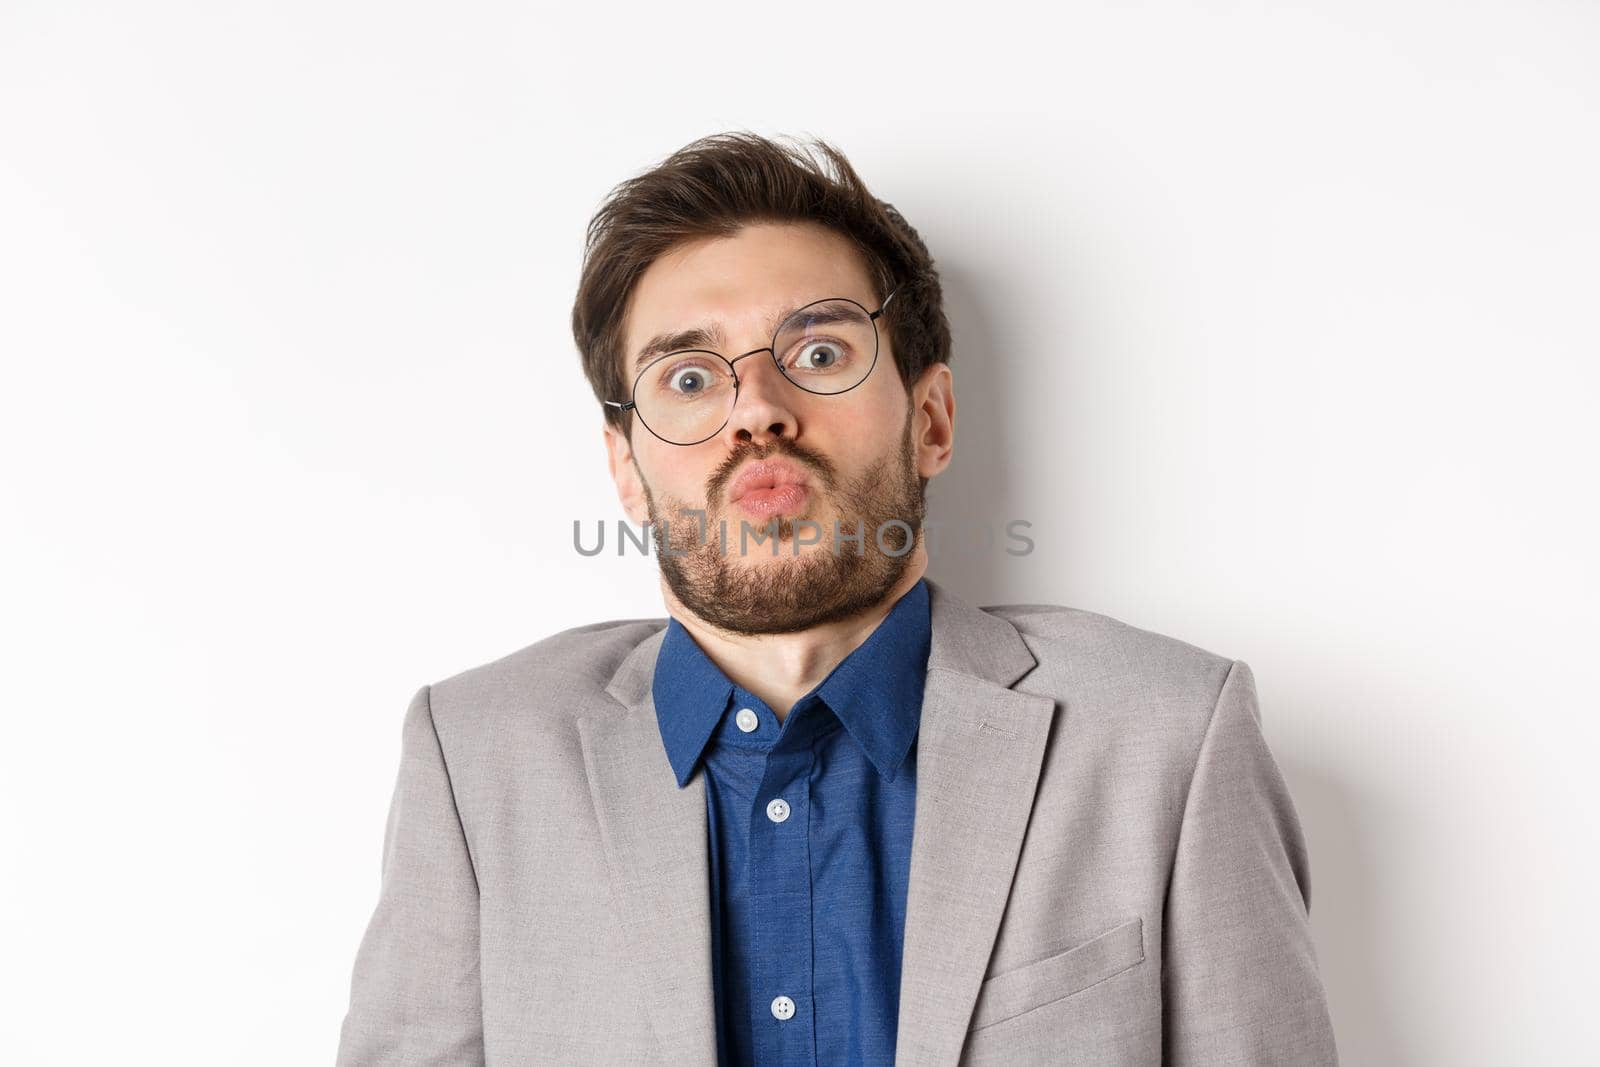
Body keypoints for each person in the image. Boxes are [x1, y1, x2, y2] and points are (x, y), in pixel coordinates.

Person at [335, 131, 1339, 1066]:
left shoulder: (1164, 734)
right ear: (627, 470)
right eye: (688, 378)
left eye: (818, 354)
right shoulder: (474, 757)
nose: (758, 410)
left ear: (932, 419)